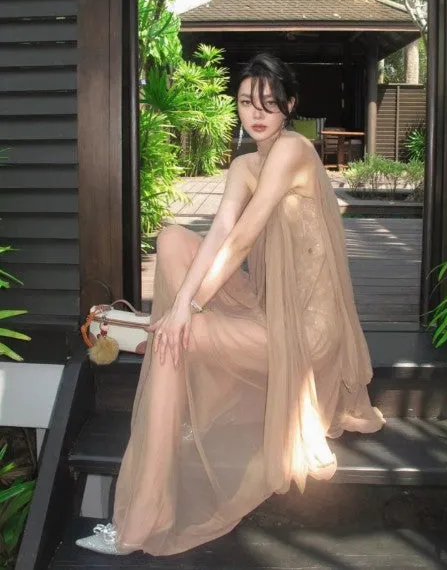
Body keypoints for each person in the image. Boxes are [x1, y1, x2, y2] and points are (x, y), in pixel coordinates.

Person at [76, 53, 385, 557]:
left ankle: (145, 516)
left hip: (307, 332)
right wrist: (183, 305)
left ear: (290, 106)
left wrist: (189, 308)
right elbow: (220, 230)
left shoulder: (294, 150)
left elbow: (242, 239)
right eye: (245, 102)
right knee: (172, 239)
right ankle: (177, 348)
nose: (256, 113)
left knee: (175, 341)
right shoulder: (244, 165)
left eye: (268, 102)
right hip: (267, 307)